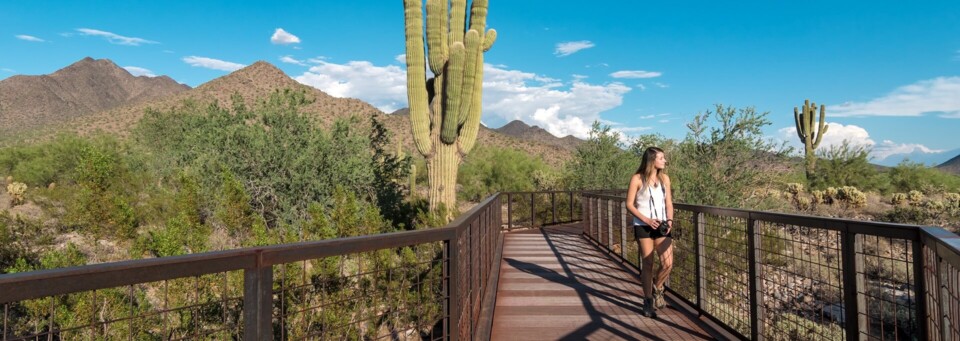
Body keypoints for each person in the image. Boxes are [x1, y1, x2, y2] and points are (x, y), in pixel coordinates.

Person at [625, 146, 674, 318]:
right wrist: (646, 220)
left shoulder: (665, 179)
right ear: (652, 160)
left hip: (662, 226)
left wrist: (669, 220)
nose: (664, 161)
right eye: (661, 158)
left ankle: (657, 287)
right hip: (643, 226)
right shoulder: (637, 178)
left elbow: (669, 203)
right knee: (648, 263)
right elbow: (629, 204)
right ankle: (647, 301)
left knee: (667, 263)